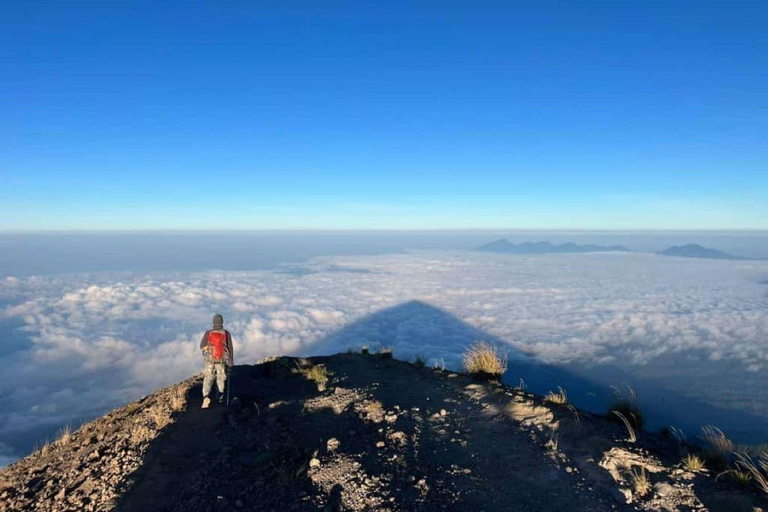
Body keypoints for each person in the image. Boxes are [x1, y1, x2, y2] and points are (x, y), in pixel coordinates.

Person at [199, 313, 234, 409]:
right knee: (221, 378)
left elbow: (201, 346)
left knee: (208, 378)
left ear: (213, 322)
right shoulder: (226, 333)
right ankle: (220, 397)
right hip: (221, 361)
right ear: (222, 322)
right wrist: (230, 363)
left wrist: (208, 349)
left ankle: (206, 397)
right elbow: (230, 348)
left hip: (209, 360)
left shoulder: (208, 333)